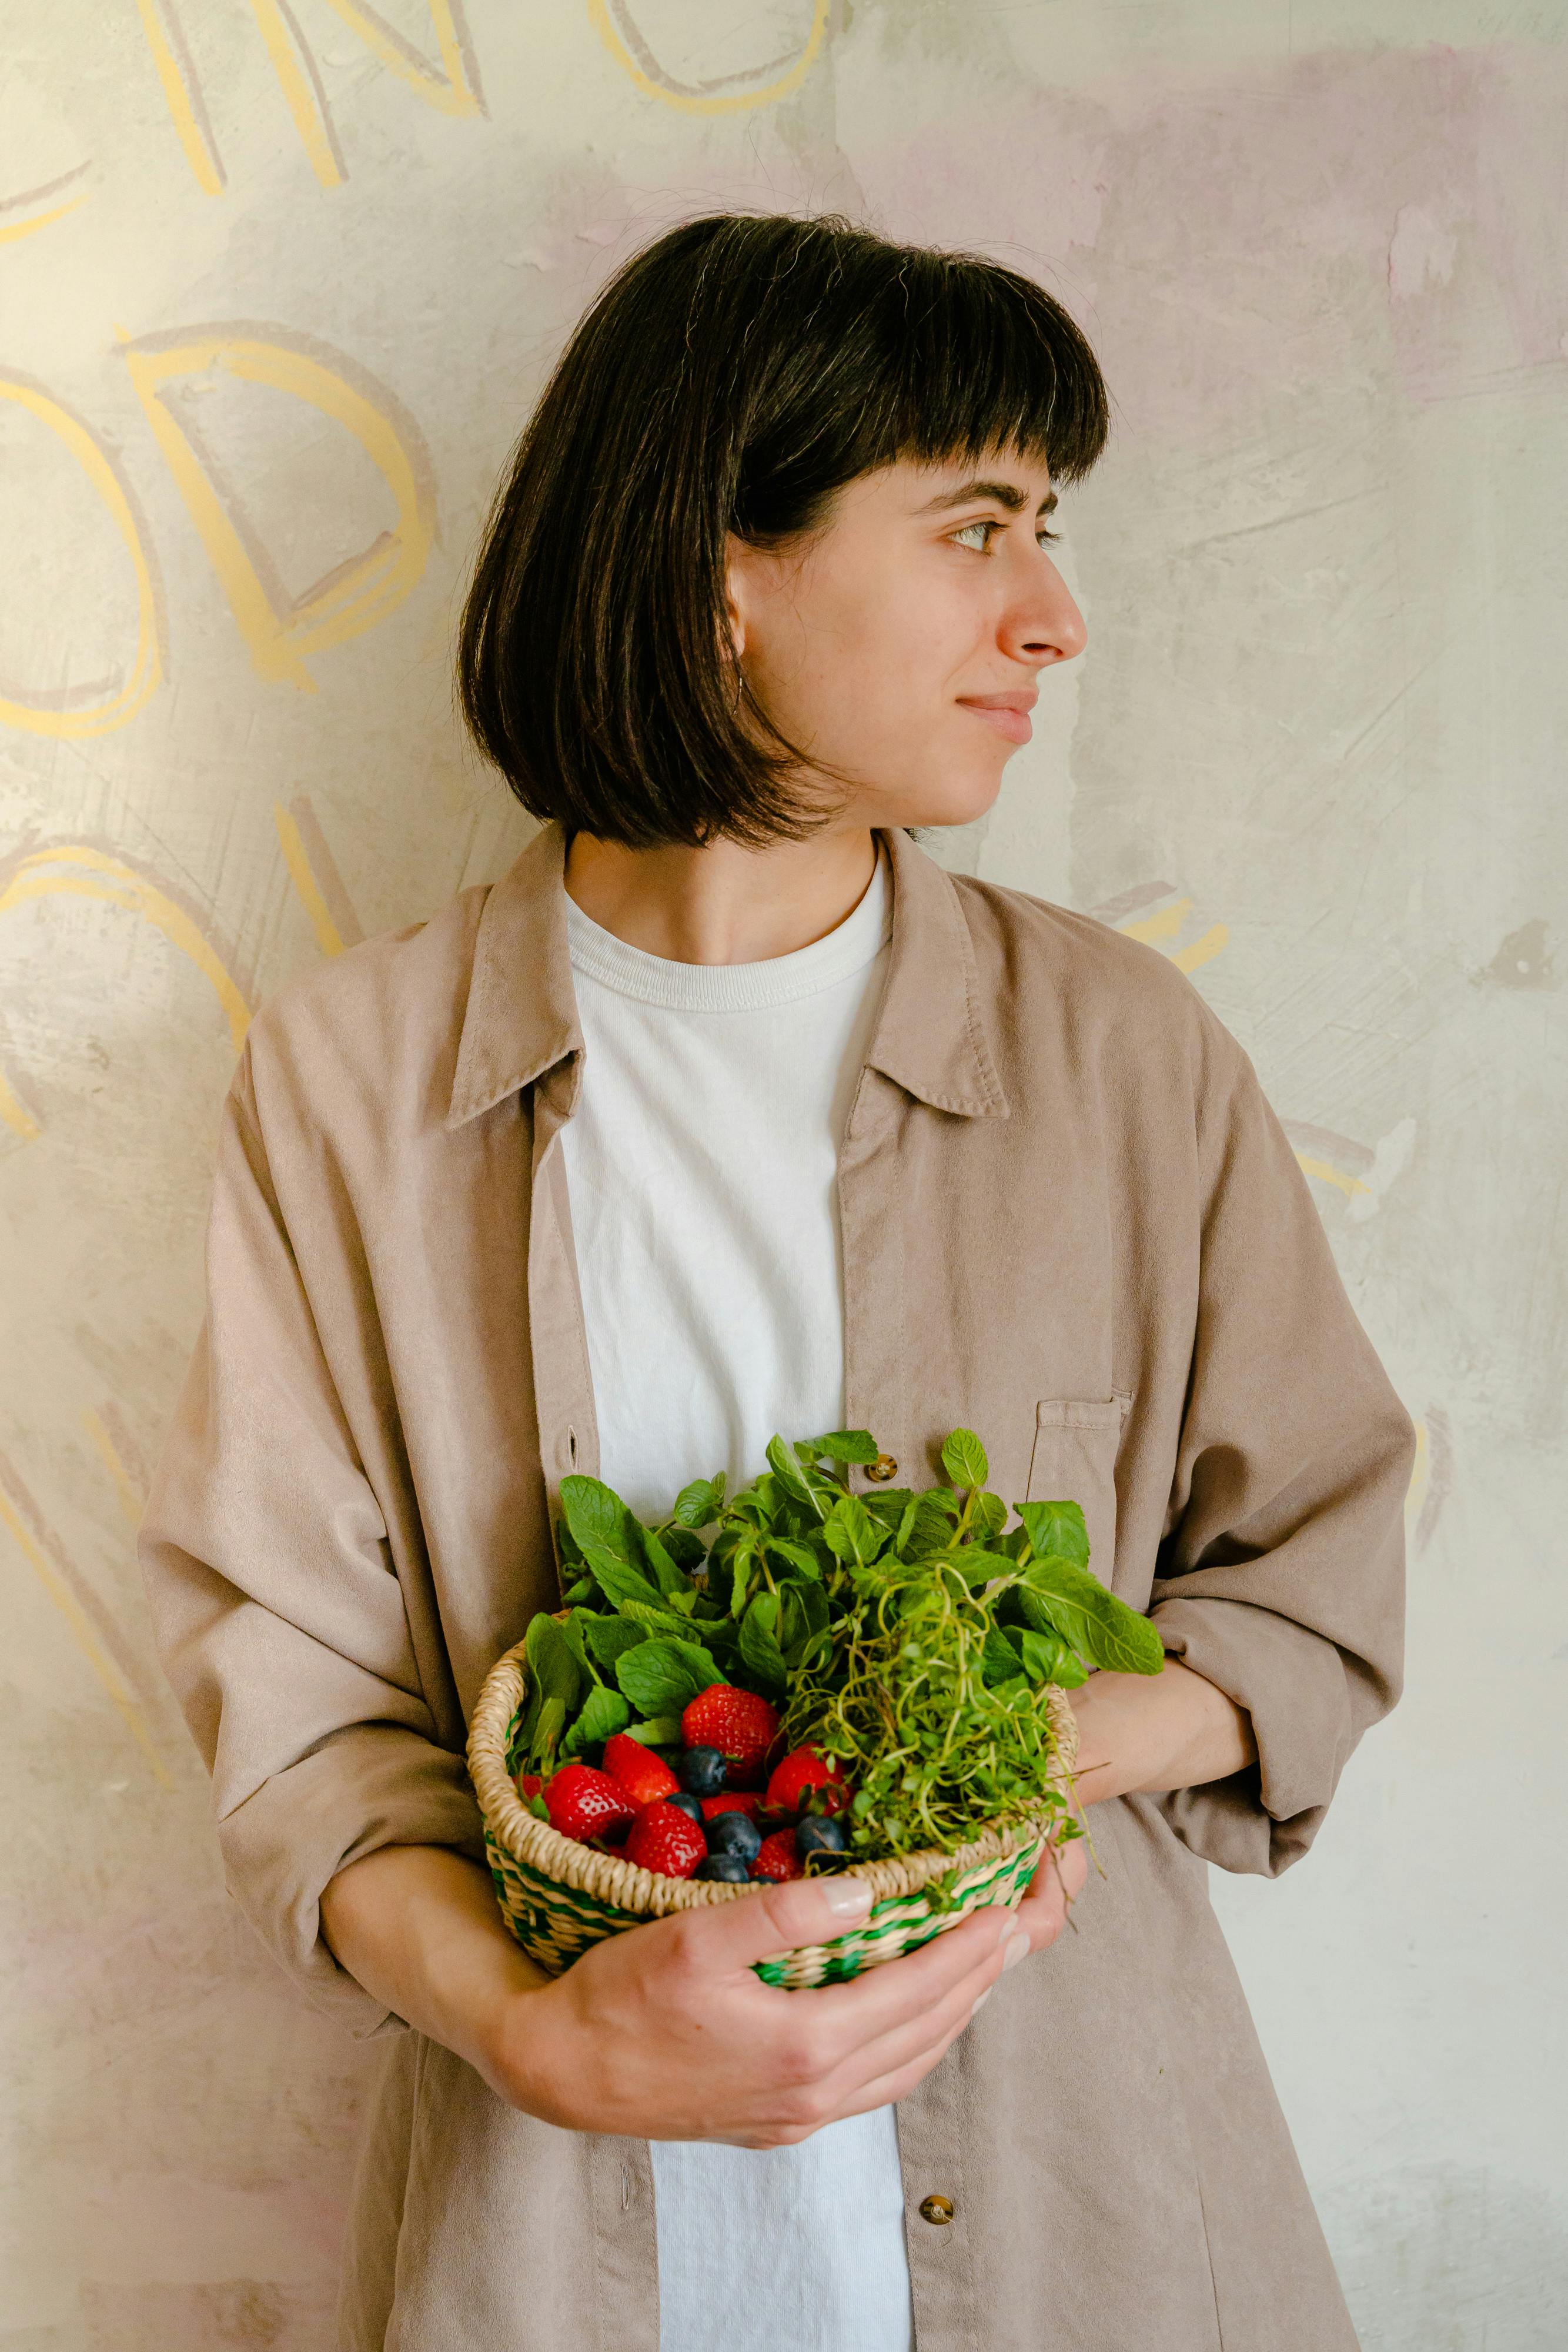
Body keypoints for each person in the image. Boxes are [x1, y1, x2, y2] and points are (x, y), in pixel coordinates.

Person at [138, 213, 1414, 2351]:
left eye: (1048, 528)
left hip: (1086, 2230)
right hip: (552, 2255)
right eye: (978, 524)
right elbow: (298, 1716)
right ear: (727, 566)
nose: (1052, 614)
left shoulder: (1121, 1058)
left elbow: (1312, 1582)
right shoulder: (358, 1086)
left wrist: (1039, 1740)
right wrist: (541, 2039)